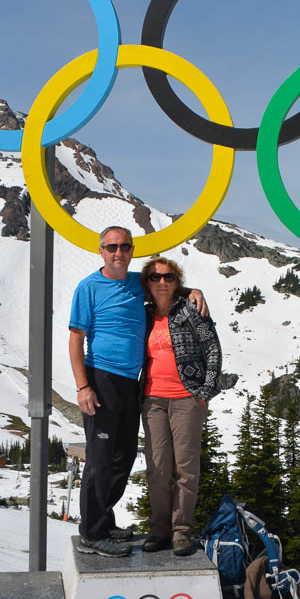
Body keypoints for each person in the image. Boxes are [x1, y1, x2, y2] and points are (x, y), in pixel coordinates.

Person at [68, 226, 207, 557]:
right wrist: (83, 386)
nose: (119, 252)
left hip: (132, 383)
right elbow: (75, 339)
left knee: (124, 455)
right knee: (101, 457)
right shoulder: (88, 287)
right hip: (101, 378)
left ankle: (103, 520)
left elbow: (165, 287)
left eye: (125, 247)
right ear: (101, 251)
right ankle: (91, 533)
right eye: (112, 247)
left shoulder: (136, 283)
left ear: (132, 250)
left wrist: (194, 290)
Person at [140, 256, 222, 556]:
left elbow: (212, 348)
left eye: (169, 277)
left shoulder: (190, 310)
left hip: (187, 398)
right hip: (152, 400)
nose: (162, 282)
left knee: (186, 469)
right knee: (158, 468)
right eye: (155, 277)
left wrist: (205, 391)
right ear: (147, 283)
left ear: (177, 282)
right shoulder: (144, 314)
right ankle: (160, 531)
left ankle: (181, 533)